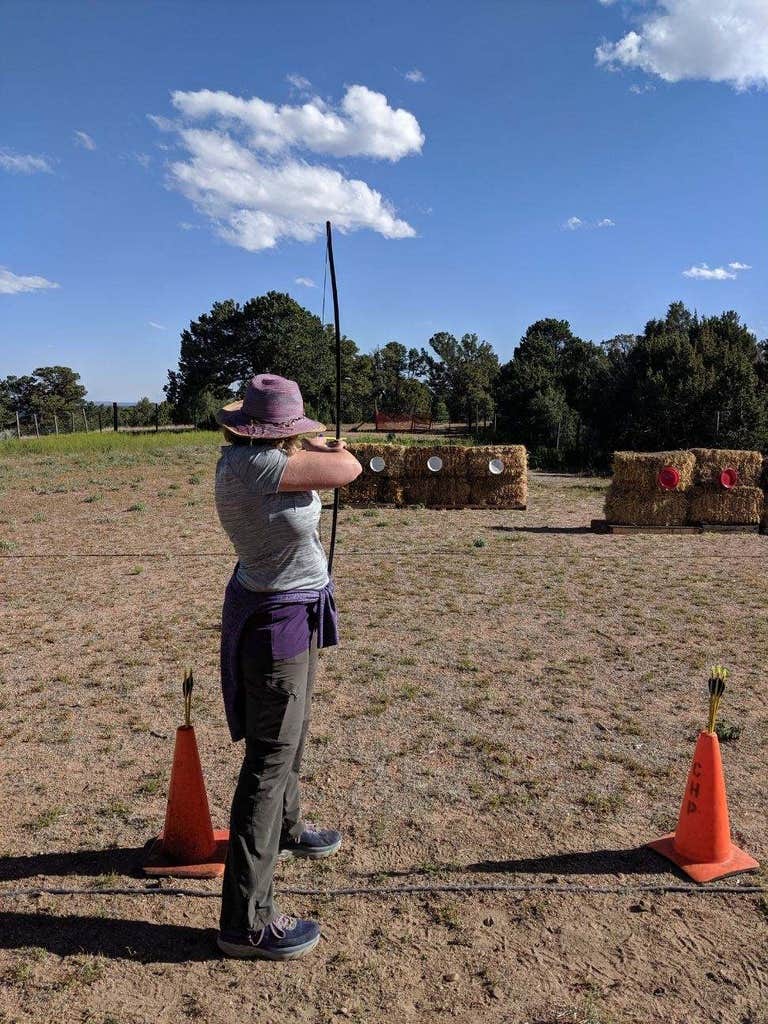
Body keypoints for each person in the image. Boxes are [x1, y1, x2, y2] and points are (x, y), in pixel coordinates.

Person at [213, 373, 361, 960]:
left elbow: (314, 458)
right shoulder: (263, 469)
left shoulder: (247, 460)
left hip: (286, 609)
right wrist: (322, 441)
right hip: (276, 622)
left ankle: (291, 829)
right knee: (268, 763)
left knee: (289, 736)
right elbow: (347, 467)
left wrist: (300, 440)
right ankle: (246, 921)